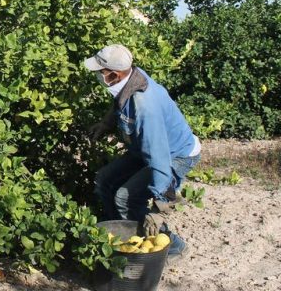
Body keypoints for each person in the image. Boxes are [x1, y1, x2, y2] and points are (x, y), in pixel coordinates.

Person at [84, 44, 201, 260]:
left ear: (114, 74)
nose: (98, 75)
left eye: (100, 71)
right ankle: (118, 237)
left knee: (126, 198)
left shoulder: (146, 106)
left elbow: (159, 158)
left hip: (176, 155)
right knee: (104, 181)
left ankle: (172, 245)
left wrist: (159, 206)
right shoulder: (129, 81)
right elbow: (119, 105)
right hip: (144, 151)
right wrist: (105, 123)